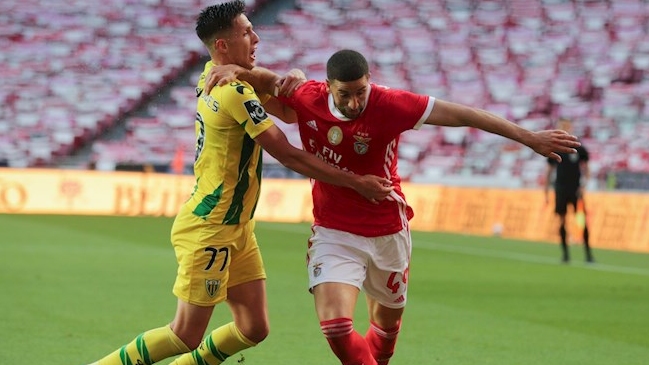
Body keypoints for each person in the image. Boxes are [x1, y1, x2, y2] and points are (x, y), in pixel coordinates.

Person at [205, 49, 582, 365]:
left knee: (384, 339)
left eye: (361, 92)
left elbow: (462, 114)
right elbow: (272, 82)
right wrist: (239, 70)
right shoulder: (308, 97)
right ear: (328, 87)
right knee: (336, 327)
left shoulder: (390, 104)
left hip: (388, 231)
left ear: (370, 80)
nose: (354, 102)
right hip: (334, 233)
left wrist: (528, 137)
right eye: (345, 95)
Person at [84, 5, 393, 365]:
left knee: (253, 327)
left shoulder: (219, 76)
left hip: (238, 228)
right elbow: (289, 155)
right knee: (184, 334)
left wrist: (291, 82)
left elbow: (293, 112)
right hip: (212, 228)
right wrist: (357, 183)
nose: (256, 37)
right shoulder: (232, 90)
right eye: (246, 32)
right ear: (223, 46)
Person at [545, 117, 594, 263]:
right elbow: (548, 171)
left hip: (575, 189)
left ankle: (588, 254)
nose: (565, 128)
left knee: (583, 221)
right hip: (560, 189)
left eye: (567, 126)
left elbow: (587, 169)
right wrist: (546, 191)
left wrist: (583, 186)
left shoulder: (579, 148)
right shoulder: (555, 148)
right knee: (562, 220)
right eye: (562, 126)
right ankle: (565, 254)